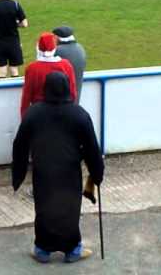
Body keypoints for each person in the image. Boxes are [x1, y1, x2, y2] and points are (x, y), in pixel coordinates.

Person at [12, 72, 104, 263]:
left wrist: (18, 174)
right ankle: (72, 250)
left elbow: (19, 145)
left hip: (43, 171)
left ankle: (42, 250)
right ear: (67, 88)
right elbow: (92, 148)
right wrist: (97, 172)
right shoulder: (79, 114)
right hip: (69, 172)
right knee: (69, 210)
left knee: (43, 209)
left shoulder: (34, 113)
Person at [20, 32, 77, 118]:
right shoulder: (66, 65)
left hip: (39, 114)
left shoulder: (32, 68)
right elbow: (72, 93)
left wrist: (24, 117)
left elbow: (27, 96)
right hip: (62, 113)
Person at [52, 25, 86, 101]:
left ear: (57, 37)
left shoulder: (58, 51)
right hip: (76, 97)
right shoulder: (80, 48)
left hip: (60, 99)